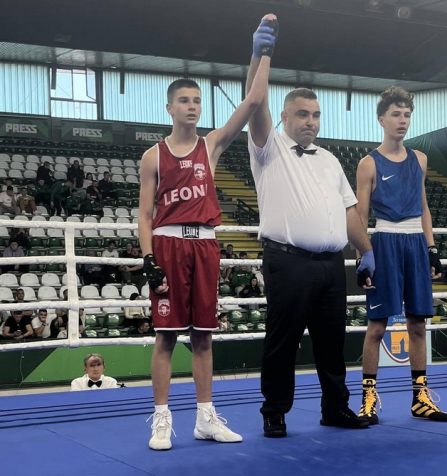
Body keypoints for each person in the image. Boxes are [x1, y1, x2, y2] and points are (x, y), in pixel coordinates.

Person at [137, 15, 277, 450]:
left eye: (197, 100)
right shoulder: (153, 156)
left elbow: (254, 100)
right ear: (169, 107)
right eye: (184, 100)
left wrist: (261, 52)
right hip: (167, 244)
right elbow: (144, 214)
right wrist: (148, 259)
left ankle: (205, 418)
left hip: (205, 244)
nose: (192, 106)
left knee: (203, 336)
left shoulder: (211, 145)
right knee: (165, 337)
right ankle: (161, 419)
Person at [246, 79, 375, 434]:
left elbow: (349, 211)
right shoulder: (268, 147)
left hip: (331, 264)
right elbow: (255, 103)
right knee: (283, 340)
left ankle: (335, 408)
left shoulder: (330, 160)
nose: (311, 121)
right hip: (288, 261)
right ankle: (274, 411)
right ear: (284, 116)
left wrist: (367, 250)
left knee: (332, 341)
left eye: (316, 115)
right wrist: (261, 57)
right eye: (302, 114)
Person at [354, 87, 447, 426]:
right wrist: (362, 256)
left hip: (415, 243)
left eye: (407, 115)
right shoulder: (368, 163)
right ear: (381, 119)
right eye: (396, 114)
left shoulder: (420, 159)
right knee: (377, 326)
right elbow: (359, 215)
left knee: (418, 323)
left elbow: (423, 207)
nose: (402, 120)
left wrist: (432, 248)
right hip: (384, 243)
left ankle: (420, 398)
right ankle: (368, 398)